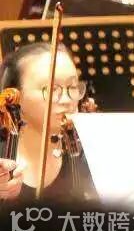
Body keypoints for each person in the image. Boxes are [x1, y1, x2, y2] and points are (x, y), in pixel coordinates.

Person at [0, 43, 95, 203]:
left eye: (72, 87)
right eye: (51, 89)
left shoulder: (90, 155)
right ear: (15, 96)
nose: (67, 100)